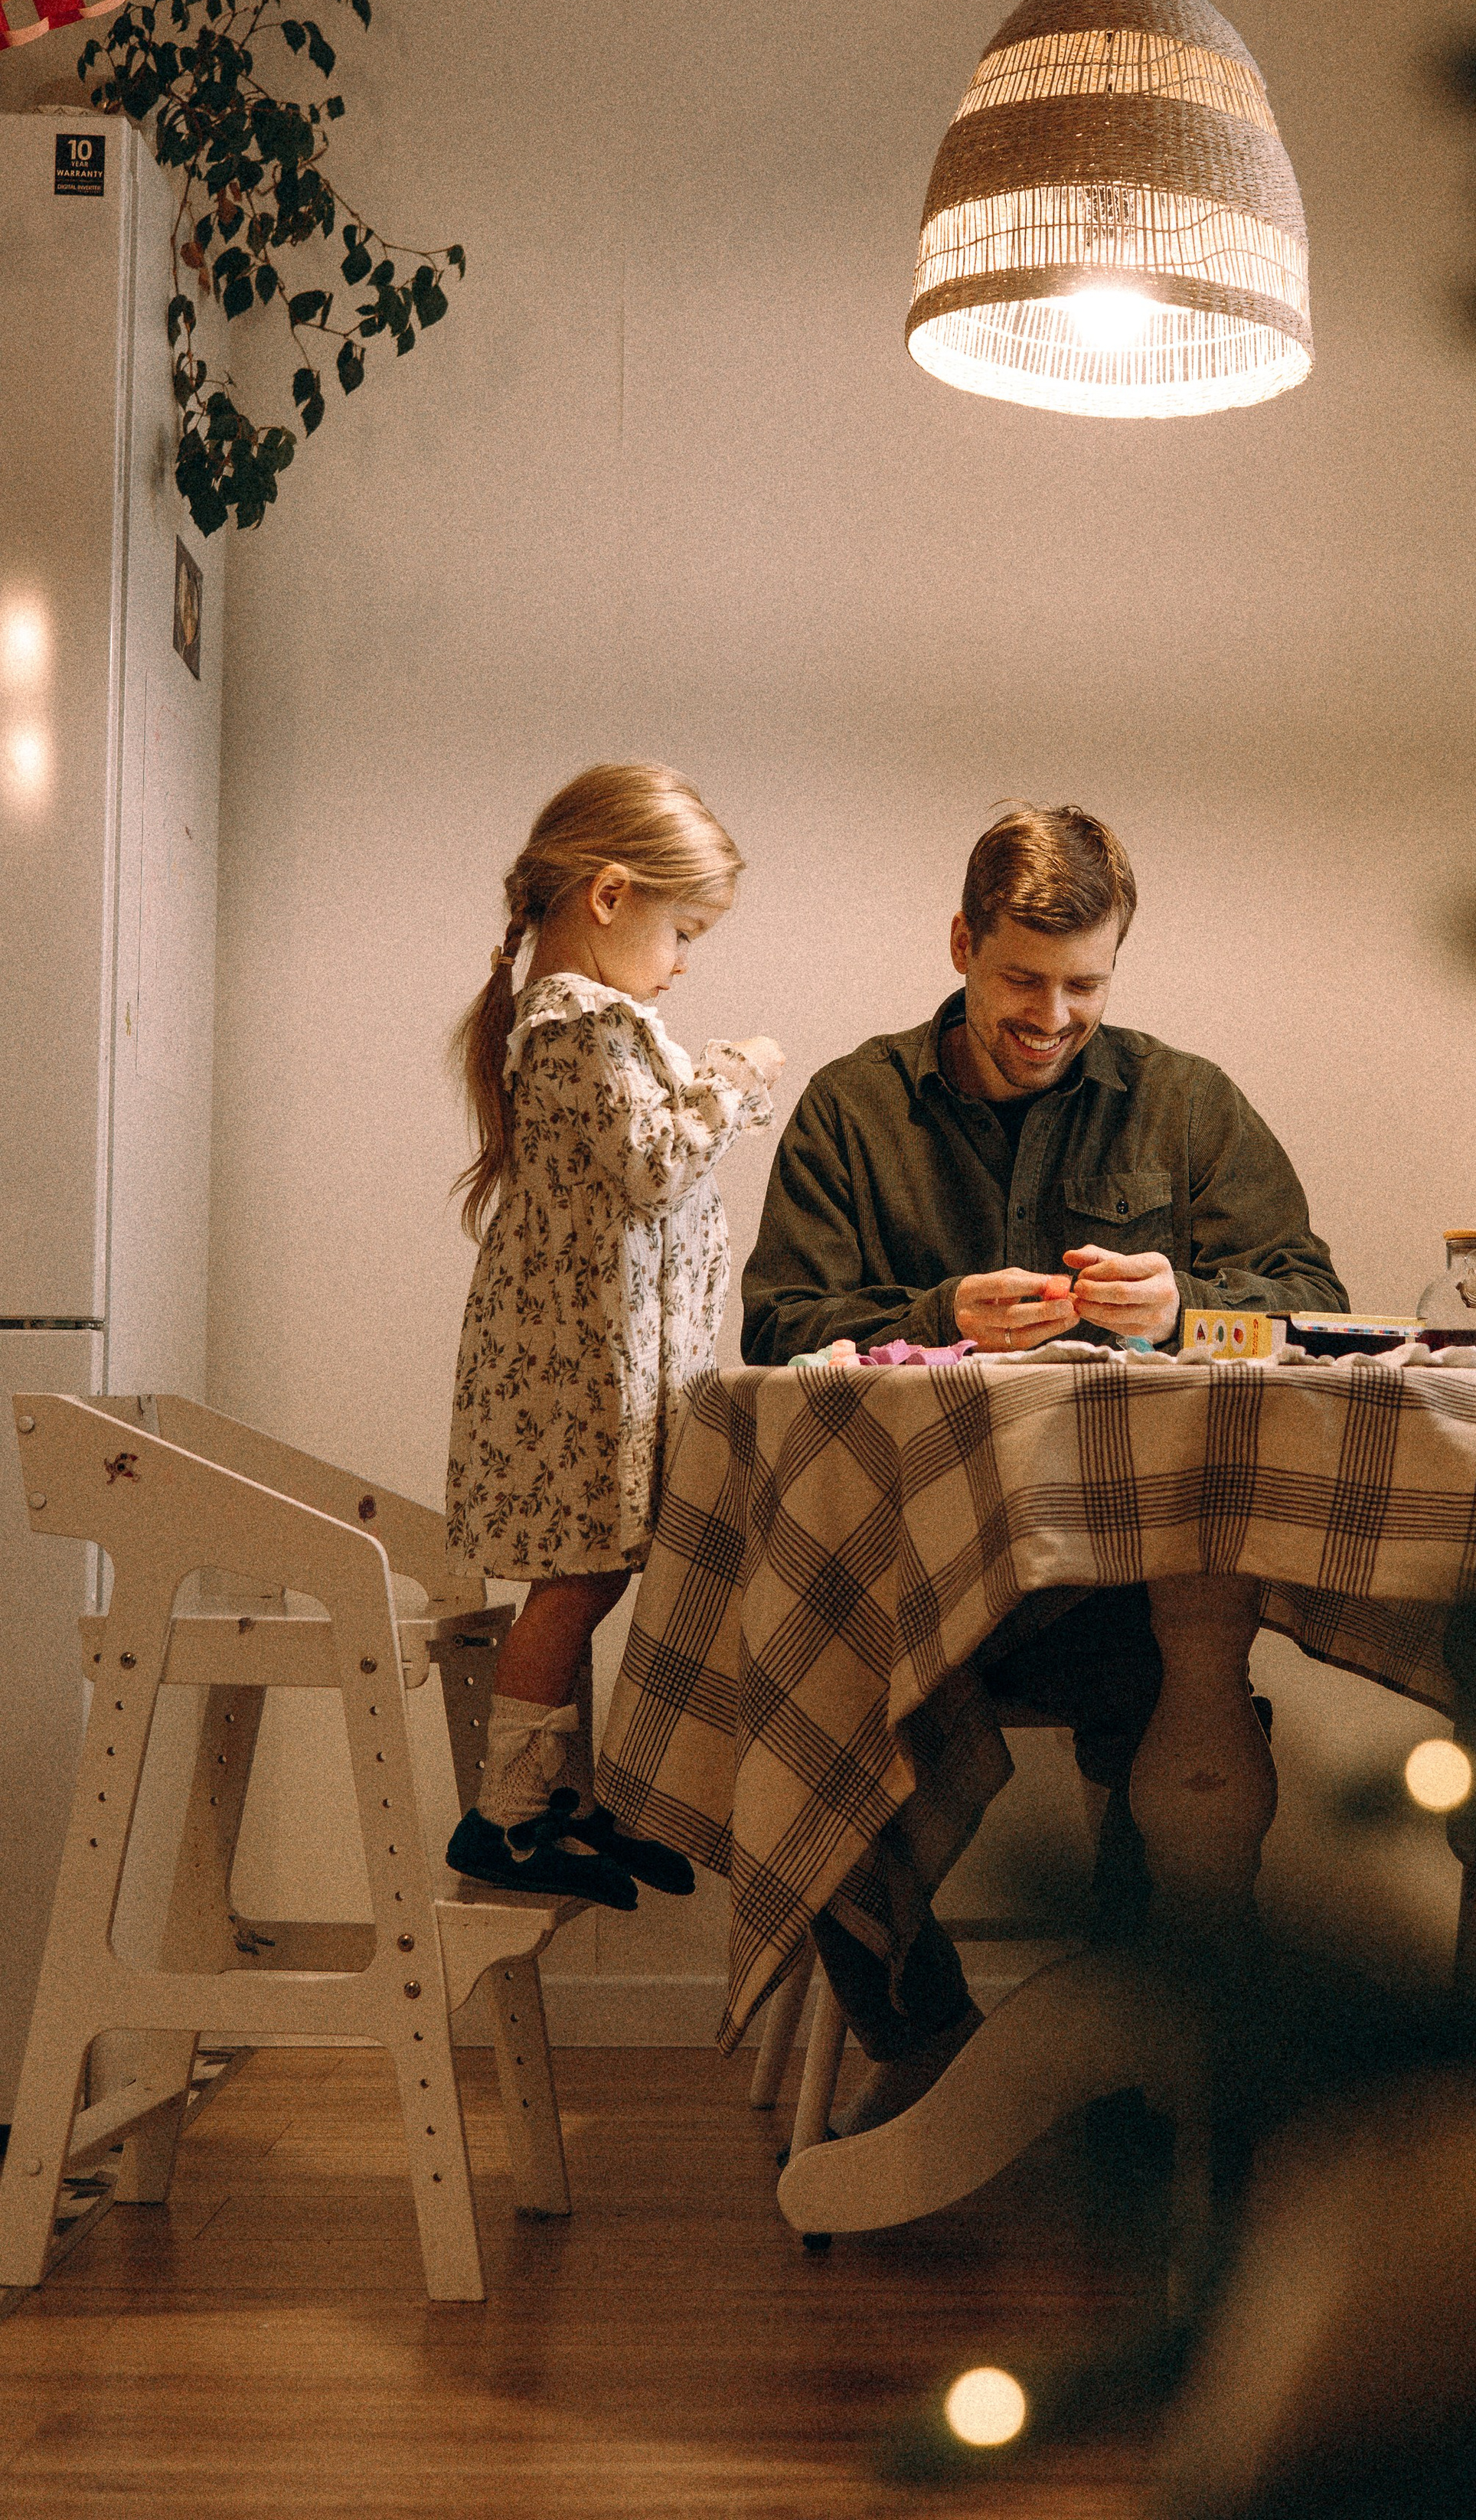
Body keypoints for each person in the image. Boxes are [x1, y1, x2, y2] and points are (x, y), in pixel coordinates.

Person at [742, 802, 1347, 2125]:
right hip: (899, 1580)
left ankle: (1133, 2041)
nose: (1052, 1014)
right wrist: (930, 1317)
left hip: (1112, 1584)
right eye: (1023, 979)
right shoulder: (854, 1107)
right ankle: (930, 2043)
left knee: (1189, 1690)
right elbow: (775, 1326)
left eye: (1085, 984)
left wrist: (1183, 1308)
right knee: (806, 1683)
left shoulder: (1183, 1103)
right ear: (961, 944)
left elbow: (1313, 1301)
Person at [445, 762, 785, 1908]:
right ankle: (508, 1813)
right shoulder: (574, 1020)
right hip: (583, 1371)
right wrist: (736, 1075)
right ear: (609, 895)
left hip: (608, 1364)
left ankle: (561, 1798)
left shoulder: (588, 1020)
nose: (684, 960)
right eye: (682, 930)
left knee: (593, 1577)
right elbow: (653, 1165)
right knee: (575, 1583)